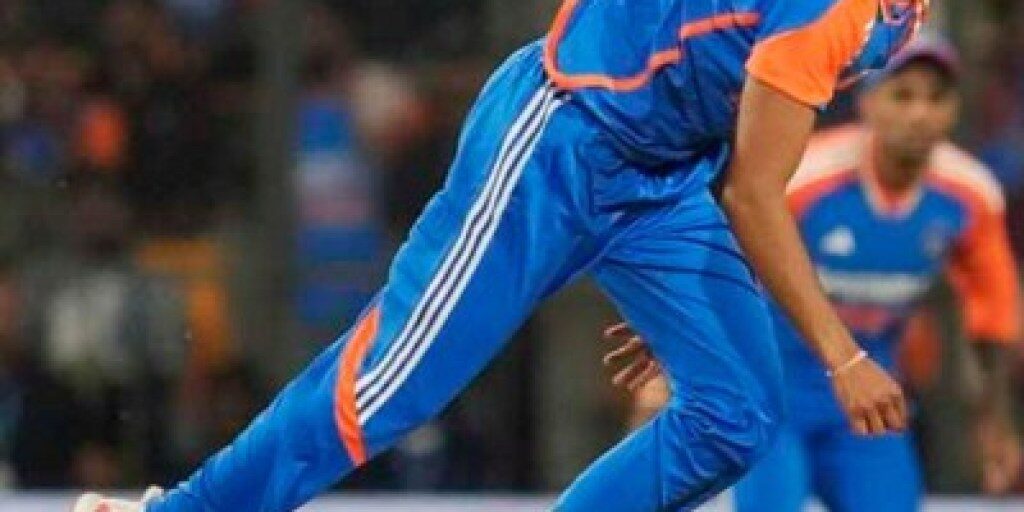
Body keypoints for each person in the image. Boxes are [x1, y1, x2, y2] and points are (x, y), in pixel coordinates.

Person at [74, 1, 928, 510]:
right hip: (563, 141)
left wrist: (682, 300)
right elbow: (755, 194)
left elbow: (728, 113)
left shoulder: (903, 14)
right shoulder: (835, 9)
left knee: (736, 411)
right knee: (393, 382)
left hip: (667, 177)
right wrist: (844, 355)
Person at [603, 36, 1022, 511]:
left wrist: (997, 424)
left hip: (868, 395)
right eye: (903, 96)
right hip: (773, 389)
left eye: (936, 98)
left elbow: (993, 316)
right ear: (868, 102)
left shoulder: (971, 195)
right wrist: (670, 356)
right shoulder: (805, 174)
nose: (919, 114)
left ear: (954, 109)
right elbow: (716, 253)